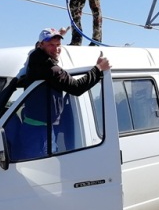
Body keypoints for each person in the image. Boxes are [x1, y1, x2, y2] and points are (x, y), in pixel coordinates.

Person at [15, 27, 111, 159]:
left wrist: (58, 34)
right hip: (41, 132)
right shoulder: (50, 69)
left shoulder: (35, 57)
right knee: (43, 168)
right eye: (51, 45)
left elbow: (37, 48)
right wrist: (99, 69)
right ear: (41, 45)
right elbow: (77, 87)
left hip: (35, 126)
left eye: (58, 45)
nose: (56, 49)